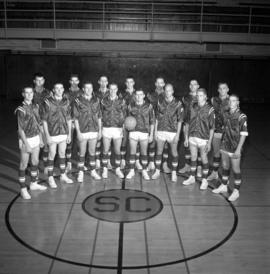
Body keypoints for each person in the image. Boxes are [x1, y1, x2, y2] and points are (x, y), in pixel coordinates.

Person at [212, 94, 248, 202]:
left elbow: (244, 134)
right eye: (230, 101)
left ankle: (236, 191)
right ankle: (224, 185)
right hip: (224, 145)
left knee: (236, 169)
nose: (231, 103)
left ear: (238, 103)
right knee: (225, 166)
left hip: (235, 147)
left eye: (234, 101)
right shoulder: (226, 114)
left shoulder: (242, 116)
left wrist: (238, 149)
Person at [15, 87, 47, 199]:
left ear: (33, 94)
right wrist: (26, 144)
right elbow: (20, 129)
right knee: (23, 164)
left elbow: (38, 124)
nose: (29, 95)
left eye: (31, 93)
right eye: (26, 93)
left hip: (36, 138)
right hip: (26, 139)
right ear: (23, 94)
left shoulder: (36, 106)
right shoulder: (21, 109)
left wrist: (41, 139)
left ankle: (33, 184)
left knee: (35, 161)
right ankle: (23, 189)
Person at [42, 83, 73, 188]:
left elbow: (69, 119)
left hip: (63, 132)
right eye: (57, 88)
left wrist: (69, 134)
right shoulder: (48, 102)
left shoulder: (66, 101)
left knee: (62, 154)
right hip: (52, 133)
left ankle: (63, 175)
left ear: (63, 89)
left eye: (61, 88)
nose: (59, 90)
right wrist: (47, 136)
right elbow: (44, 121)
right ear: (53, 90)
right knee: (52, 154)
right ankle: (50, 178)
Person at [182, 88, 215, 190]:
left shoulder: (210, 110)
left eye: (201, 95)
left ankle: (204, 180)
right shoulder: (192, 107)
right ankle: (192, 177)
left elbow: (212, 128)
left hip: (203, 138)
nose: (199, 97)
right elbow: (187, 123)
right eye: (197, 95)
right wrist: (186, 138)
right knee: (193, 157)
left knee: (204, 158)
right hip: (192, 136)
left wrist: (209, 143)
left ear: (205, 97)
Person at [151, 84, 184, 182]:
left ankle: (174, 173)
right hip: (161, 130)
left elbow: (180, 120)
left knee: (174, 152)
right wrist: (155, 132)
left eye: (169, 90)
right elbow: (156, 118)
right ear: (164, 91)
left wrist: (178, 134)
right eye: (166, 90)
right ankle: (157, 171)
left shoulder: (178, 103)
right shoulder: (159, 102)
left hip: (172, 132)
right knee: (159, 151)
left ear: (173, 91)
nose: (167, 92)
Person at [73, 82, 102, 182]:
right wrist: (78, 132)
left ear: (92, 89)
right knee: (82, 152)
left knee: (92, 152)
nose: (89, 90)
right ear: (83, 89)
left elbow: (99, 116)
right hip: (83, 130)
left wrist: (100, 130)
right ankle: (80, 172)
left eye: (90, 88)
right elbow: (75, 118)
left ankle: (93, 171)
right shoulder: (78, 101)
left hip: (93, 129)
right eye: (86, 88)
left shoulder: (96, 100)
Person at [126, 89, 155, 180]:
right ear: (135, 96)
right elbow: (127, 120)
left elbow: (152, 121)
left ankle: (144, 171)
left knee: (143, 153)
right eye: (137, 95)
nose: (138, 97)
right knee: (132, 152)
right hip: (133, 132)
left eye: (140, 95)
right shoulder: (130, 106)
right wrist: (127, 131)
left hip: (144, 132)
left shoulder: (149, 106)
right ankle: (131, 171)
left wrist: (151, 135)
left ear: (144, 96)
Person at [100, 83, 126, 179]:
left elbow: (124, 115)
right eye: (110, 89)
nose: (112, 91)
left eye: (114, 89)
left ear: (117, 89)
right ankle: (105, 170)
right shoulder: (103, 101)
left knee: (117, 150)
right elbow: (100, 114)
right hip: (106, 128)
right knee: (105, 150)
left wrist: (123, 128)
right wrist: (101, 127)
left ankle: (118, 169)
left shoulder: (122, 101)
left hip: (117, 128)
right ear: (108, 90)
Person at [207, 82, 230, 181]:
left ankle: (226, 178)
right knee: (216, 154)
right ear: (218, 90)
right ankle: (215, 173)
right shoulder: (213, 100)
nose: (222, 90)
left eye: (224, 88)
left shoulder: (232, 100)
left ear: (228, 89)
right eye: (220, 88)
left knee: (225, 156)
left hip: (227, 133)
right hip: (216, 131)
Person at [179, 79, 200, 175]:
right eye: (190, 84)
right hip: (187, 124)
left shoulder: (201, 97)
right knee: (186, 145)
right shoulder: (185, 98)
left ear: (198, 86)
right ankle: (187, 165)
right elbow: (182, 112)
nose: (192, 86)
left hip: (199, 125)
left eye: (194, 84)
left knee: (199, 146)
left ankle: (199, 167)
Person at [146, 77, 167, 171]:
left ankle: (165, 164)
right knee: (152, 142)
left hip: (163, 122)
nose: (159, 85)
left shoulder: (167, 94)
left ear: (164, 84)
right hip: (152, 121)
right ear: (155, 84)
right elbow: (146, 108)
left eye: (161, 83)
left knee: (164, 143)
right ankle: (151, 163)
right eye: (157, 83)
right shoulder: (150, 95)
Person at [32, 73, 51, 173]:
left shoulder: (48, 93)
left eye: (41, 80)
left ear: (44, 81)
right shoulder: (30, 92)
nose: (39, 82)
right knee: (35, 146)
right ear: (34, 81)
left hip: (44, 122)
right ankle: (34, 165)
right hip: (33, 123)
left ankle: (45, 165)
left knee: (46, 145)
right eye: (37, 80)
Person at [64, 74, 83, 172]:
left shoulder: (83, 92)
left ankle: (81, 163)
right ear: (70, 82)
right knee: (69, 143)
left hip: (80, 122)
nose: (74, 82)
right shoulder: (66, 94)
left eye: (76, 81)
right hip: (69, 121)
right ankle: (68, 163)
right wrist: (68, 121)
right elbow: (64, 108)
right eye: (72, 81)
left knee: (80, 143)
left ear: (78, 82)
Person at [120, 76, 139, 170]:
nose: (129, 84)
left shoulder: (137, 94)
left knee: (136, 142)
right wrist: (122, 122)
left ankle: (137, 161)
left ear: (134, 83)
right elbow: (120, 109)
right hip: (125, 121)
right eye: (127, 82)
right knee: (124, 141)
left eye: (131, 82)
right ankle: (123, 161)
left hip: (135, 122)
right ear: (125, 83)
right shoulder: (122, 95)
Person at [95, 76, 111, 170]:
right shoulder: (95, 93)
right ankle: (97, 161)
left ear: (107, 82)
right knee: (97, 141)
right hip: (97, 119)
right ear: (99, 82)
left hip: (108, 120)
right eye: (101, 81)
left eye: (105, 81)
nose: (103, 83)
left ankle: (107, 161)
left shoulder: (111, 92)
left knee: (107, 142)